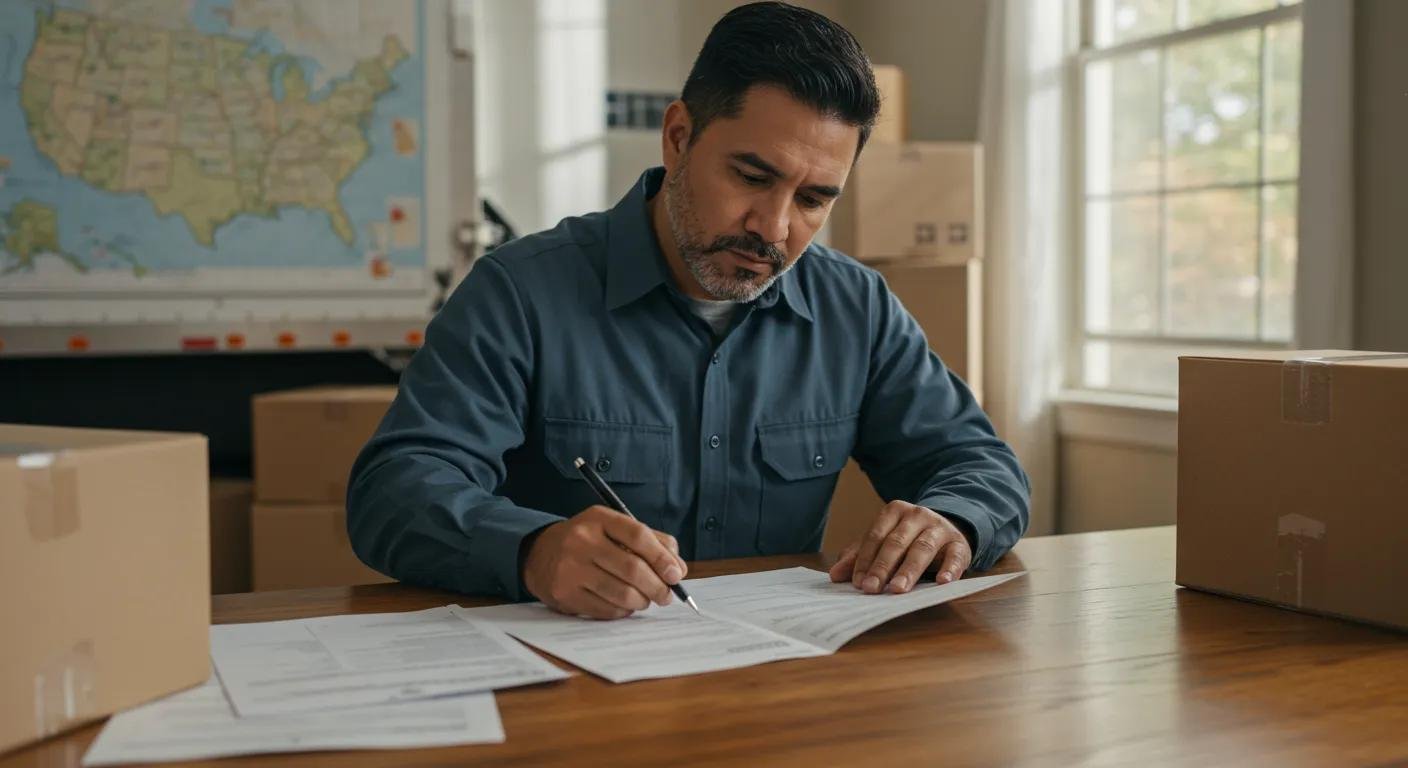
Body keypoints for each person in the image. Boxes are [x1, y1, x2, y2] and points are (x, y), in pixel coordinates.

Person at [347, 1, 1029, 620]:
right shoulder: (519, 292)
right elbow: (396, 490)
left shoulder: (857, 307)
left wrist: (953, 521)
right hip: (571, 692)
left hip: (776, 685)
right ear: (678, 137)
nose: (774, 227)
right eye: (752, 177)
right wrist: (532, 549)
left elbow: (983, 466)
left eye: (815, 199)